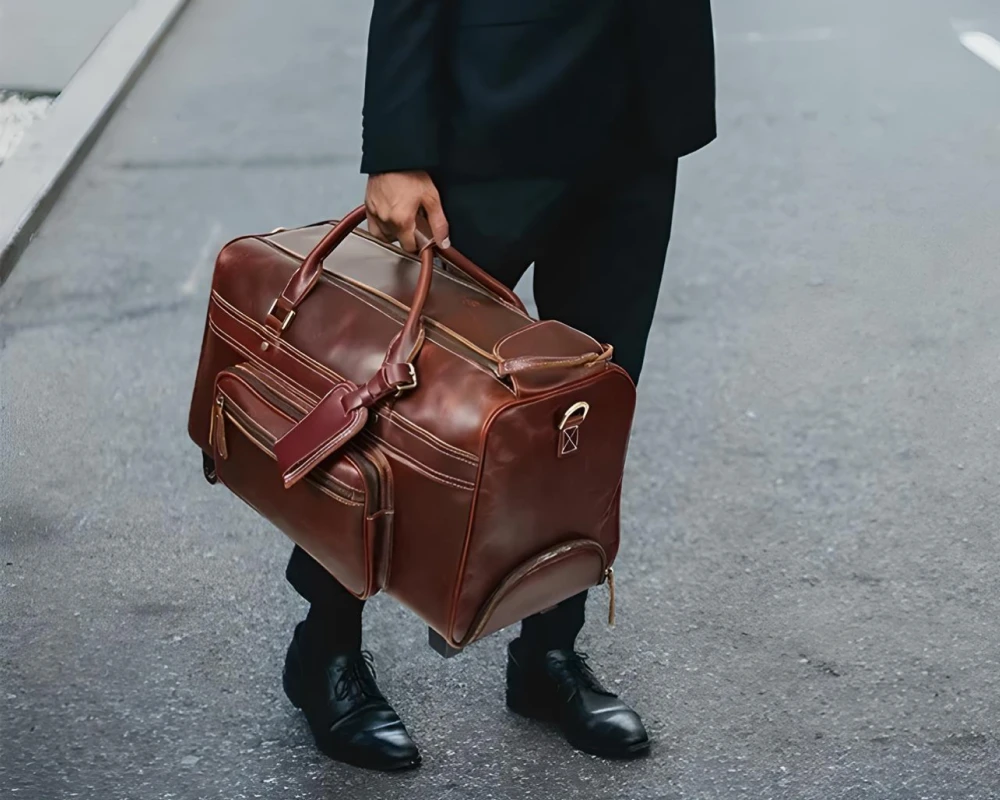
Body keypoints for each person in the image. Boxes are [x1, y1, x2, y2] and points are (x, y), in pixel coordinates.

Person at [281, 0, 716, 771]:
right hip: (491, 106)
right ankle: (326, 644)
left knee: (586, 412)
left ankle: (548, 655)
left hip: (642, 112)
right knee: (393, 397)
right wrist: (397, 146)